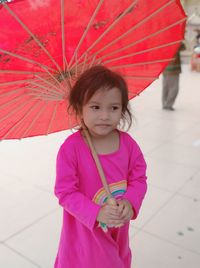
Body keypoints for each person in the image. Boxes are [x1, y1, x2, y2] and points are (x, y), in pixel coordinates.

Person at [54, 66, 147, 268]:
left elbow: (139, 179)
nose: (105, 116)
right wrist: (96, 213)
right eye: (95, 107)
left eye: (113, 108)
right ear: (79, 108)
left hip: (117, 229)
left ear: (123, 109)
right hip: (86, 233)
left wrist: (130, 202)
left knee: (118, 258)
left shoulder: (128, 145)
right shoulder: (71, 149)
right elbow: (65, 192)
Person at [162, 43, 185, 111]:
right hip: (173, 70)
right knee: (174, 88)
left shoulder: (163, 43)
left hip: (165, 69)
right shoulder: (176, 42)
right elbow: (184, 48)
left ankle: (165, 104)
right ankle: (168, 104)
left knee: (166, 88)